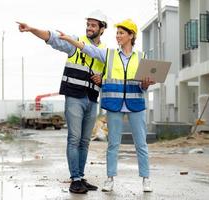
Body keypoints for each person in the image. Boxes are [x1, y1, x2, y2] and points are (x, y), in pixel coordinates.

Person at [58, 18, 155, 192]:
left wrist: (146, 84)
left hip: (136, 105)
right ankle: (110, 179)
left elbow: (142, 86)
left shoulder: (142, 57)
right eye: (117, 32)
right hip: (114, 105)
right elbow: (87, 48)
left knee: (141, 144)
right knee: (113, 145)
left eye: (121, 33)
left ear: (131, 36)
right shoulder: (109, 54)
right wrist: (69, 39)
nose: (117, 36)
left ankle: (146, 179)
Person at [17, 10, 108, 194]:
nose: (89, 28)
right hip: (74, 96)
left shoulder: (104, 52)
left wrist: (102, 79)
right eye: (88, 24)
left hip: (92, 98)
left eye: (93, 25)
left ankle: (81, 177)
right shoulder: (75, 41)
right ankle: (74, 180)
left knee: (85, 141)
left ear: (102, 29)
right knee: (74, 139)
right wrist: (32, 29)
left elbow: (108, 74)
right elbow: (52, 37)